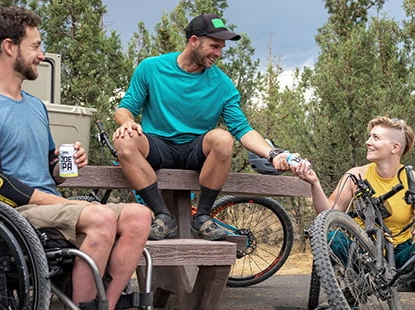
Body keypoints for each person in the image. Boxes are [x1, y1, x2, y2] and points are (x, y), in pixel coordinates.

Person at [0, 6, 153, 310]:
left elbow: (49, 170)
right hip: (12, 215)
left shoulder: (35, 106)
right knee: (99, 217)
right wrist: (56, 203)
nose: (41, 54)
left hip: (49, 207)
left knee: (138, 217)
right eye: (35, 46)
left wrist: (66, 165)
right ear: (9, 47)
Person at [113, 13, 294, 241]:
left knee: (223, 138)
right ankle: (162, 215)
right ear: (194, 41)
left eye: (221, 48)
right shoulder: (151, 68)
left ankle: (203, 217)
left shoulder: (222, 84)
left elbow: (242, 129)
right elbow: (124, 108)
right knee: (124, 139)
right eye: (214, 46)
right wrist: (128, 123)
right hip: (157, 147)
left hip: (194, 152)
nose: (218, 54)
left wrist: (272, 153)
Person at [294, 116, 415, 310]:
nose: (368, 142)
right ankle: (351, 308)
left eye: (375, 137)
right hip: (362, 249)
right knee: (330, 235)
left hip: (400, 250)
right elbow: (328, 213)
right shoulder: (356, 175)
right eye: (369, 137)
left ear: (395, 147)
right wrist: (314, 184)